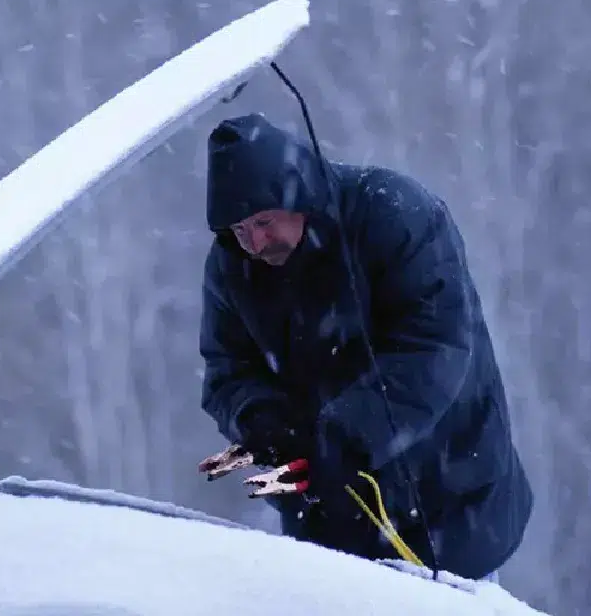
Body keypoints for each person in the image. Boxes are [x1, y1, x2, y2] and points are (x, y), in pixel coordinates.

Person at [198, 112, 533, 582]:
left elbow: (434, 349)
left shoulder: (395, 215)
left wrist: (347, 436)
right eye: (238, 230)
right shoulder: (231, 267)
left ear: (298, 193)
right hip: (332, 531)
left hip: (451, 505)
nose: (253, 243)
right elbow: (226, 372)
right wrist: (262, 420)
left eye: (263, 221)